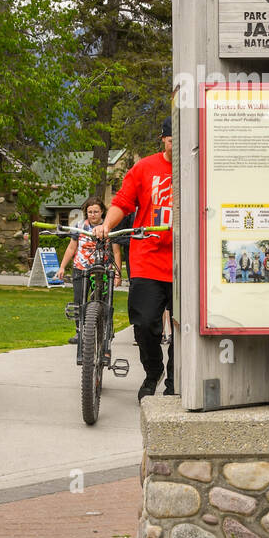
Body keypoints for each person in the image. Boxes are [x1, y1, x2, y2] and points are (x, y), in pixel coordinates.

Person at [94, 118, 173, 401]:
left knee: (184, 326)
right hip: (147, 259)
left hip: (186, 263)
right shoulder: (145, 168)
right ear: (163, 139)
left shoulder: (197, 167)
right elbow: (123, 202)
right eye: (170, 137)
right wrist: (105, 225)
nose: (174, 143)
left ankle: (175, 380)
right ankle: (154, 371)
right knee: (145, 323)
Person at [56, 198, 120, 345]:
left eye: (96, 211)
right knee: (79, 300)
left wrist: (117, 274)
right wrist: (62, 266)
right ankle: (80, 332)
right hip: (81, 268)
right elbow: (72, 248)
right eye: (90, 212)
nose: (93, 215)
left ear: (102, 211)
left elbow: (116, 252)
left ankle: (106, 329)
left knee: (104, 301)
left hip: (103, 269)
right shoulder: (79, 226)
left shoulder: (109, 226)